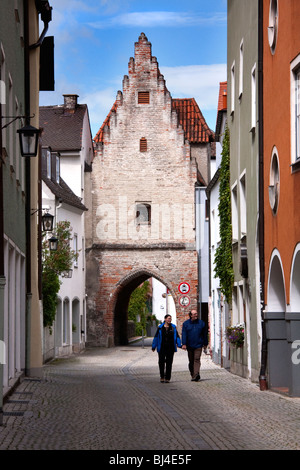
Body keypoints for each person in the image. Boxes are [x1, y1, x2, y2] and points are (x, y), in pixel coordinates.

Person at [152, 314, 182, 383]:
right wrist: (154, 346)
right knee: (161, 362)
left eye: (170, 319)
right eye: (168, 318)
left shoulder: (173, 327)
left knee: (169, 363)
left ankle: (167, 377)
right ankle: (162, 376)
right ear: (165, 319)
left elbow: (177, 336)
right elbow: (156, 337)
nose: (169, 320)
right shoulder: (160, 327)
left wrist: (179, 344)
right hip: (162, 347)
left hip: (170, 348)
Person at [182, 309, 208, 382]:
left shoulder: (201, 323)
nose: (196, 315)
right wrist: (184, 344)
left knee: (197, 359)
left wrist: (205, 343)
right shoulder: (186, 324)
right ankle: (193, 374)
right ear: (190, 315)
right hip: (189, 345)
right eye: (194, 314)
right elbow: (184, 334)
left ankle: (196, 374)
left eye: (196, 314)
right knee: (191, 361)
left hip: (198, 345)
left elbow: (204, 334)